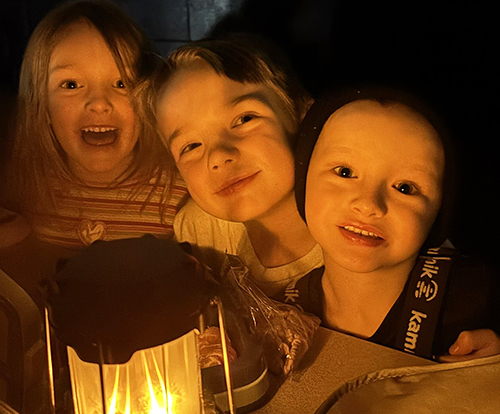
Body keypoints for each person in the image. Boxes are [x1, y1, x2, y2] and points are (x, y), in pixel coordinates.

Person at [285, 86, 500, 361]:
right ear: (304, 182)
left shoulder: (478, 296)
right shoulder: (285, 309)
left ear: (438, 213)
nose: (369, 204)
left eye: (405, 188)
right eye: (345, 172)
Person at [1, 0, 187, 251]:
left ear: (148, 98)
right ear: (41, 105)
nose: (99, 104)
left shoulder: (178, 196)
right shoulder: (22, 191)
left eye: (122, 83)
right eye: (71, 85)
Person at [151, 35, 323, 297]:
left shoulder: (352, 229)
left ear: (300, 113)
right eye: (191, 146)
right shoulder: (200, 232)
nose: (218, 156)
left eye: (244, 119)